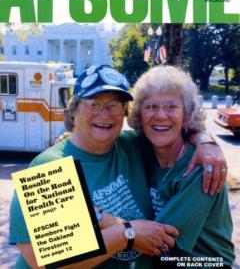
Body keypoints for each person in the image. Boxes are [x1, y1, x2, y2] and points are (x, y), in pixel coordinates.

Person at [9, 65, 227, 269]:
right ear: (74, 110)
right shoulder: (50, 166)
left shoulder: (129, 145)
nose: (105, 114)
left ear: (125, 113)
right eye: (93, 104)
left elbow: (168, 128)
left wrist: (205, 141)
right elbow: (45, 261)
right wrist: (127, 233)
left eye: (114, 105)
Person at [127, 66, 235, 268]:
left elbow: (162, 242)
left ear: (186, 115)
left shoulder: (202, 167)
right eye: (150, 106)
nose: (160, 115)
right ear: (139, 114)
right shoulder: (140, 148)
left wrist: (108, 228)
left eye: (171, 107)